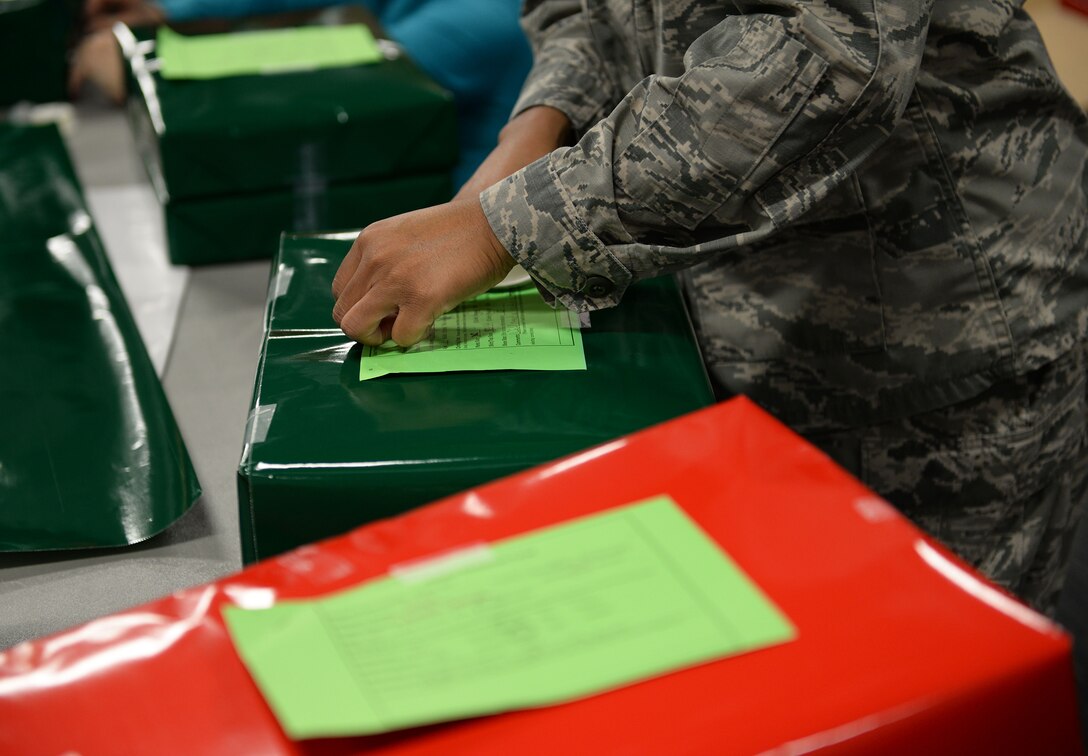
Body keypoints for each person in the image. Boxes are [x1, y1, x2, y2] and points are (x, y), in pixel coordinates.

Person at [331, 1, 1088, 616]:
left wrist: (510, 222)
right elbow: (590, 9)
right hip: (737, 321)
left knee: (932, 679)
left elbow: (833, 49)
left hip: (936, 322)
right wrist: (534, 132)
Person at [74, 0, 532, 185]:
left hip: (435, 232)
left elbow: (304, 93)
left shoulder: (486, 23)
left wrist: (137, 67)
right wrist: (170, 6)